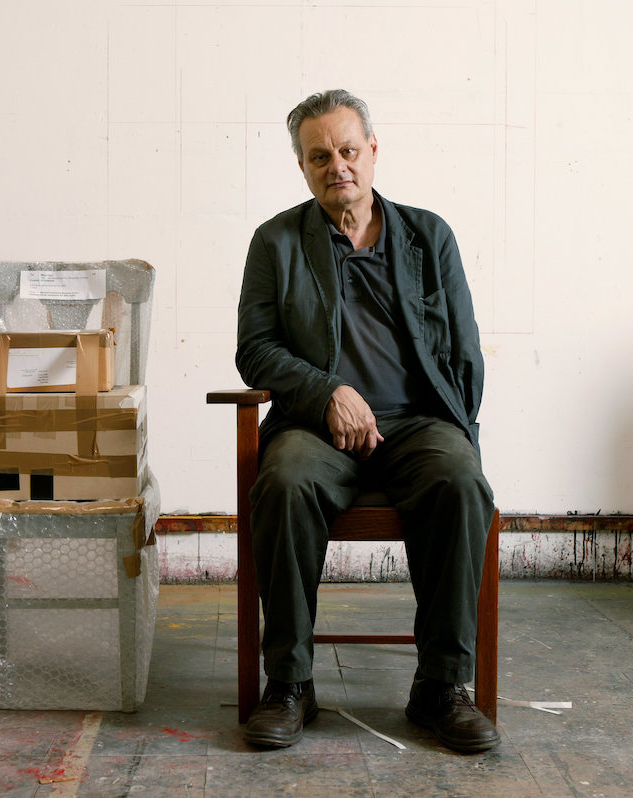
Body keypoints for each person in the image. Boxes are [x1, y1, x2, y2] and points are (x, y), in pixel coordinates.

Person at [234, 89, 499, 753]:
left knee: (461, 481)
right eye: (319, 156)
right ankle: (290, 684)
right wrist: (327, 392)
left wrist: (457, 431)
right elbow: (255, 348)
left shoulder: (428, 236)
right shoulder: (276, 242)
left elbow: (464, 351)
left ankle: (443, 686)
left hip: (415, 425)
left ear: (373, 152)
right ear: (302, 166)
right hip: (315, 430)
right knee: (285, 479)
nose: (337, 166)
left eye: (348, 151)